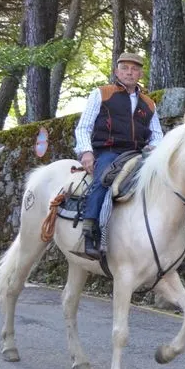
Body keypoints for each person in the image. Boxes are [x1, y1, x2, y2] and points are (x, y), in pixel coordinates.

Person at [73, 53, 163, 260]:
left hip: (138, 153)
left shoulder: (149, 104)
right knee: (104, 179)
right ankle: (90, 231)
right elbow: (84, 127)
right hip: (109, 151)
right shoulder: (102, 94)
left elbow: (157, 135)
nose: (130, 72)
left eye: (134, 69)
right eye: (125, 68)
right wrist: (86, 152)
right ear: (116, 72)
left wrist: (154, 149)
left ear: (141, 74)